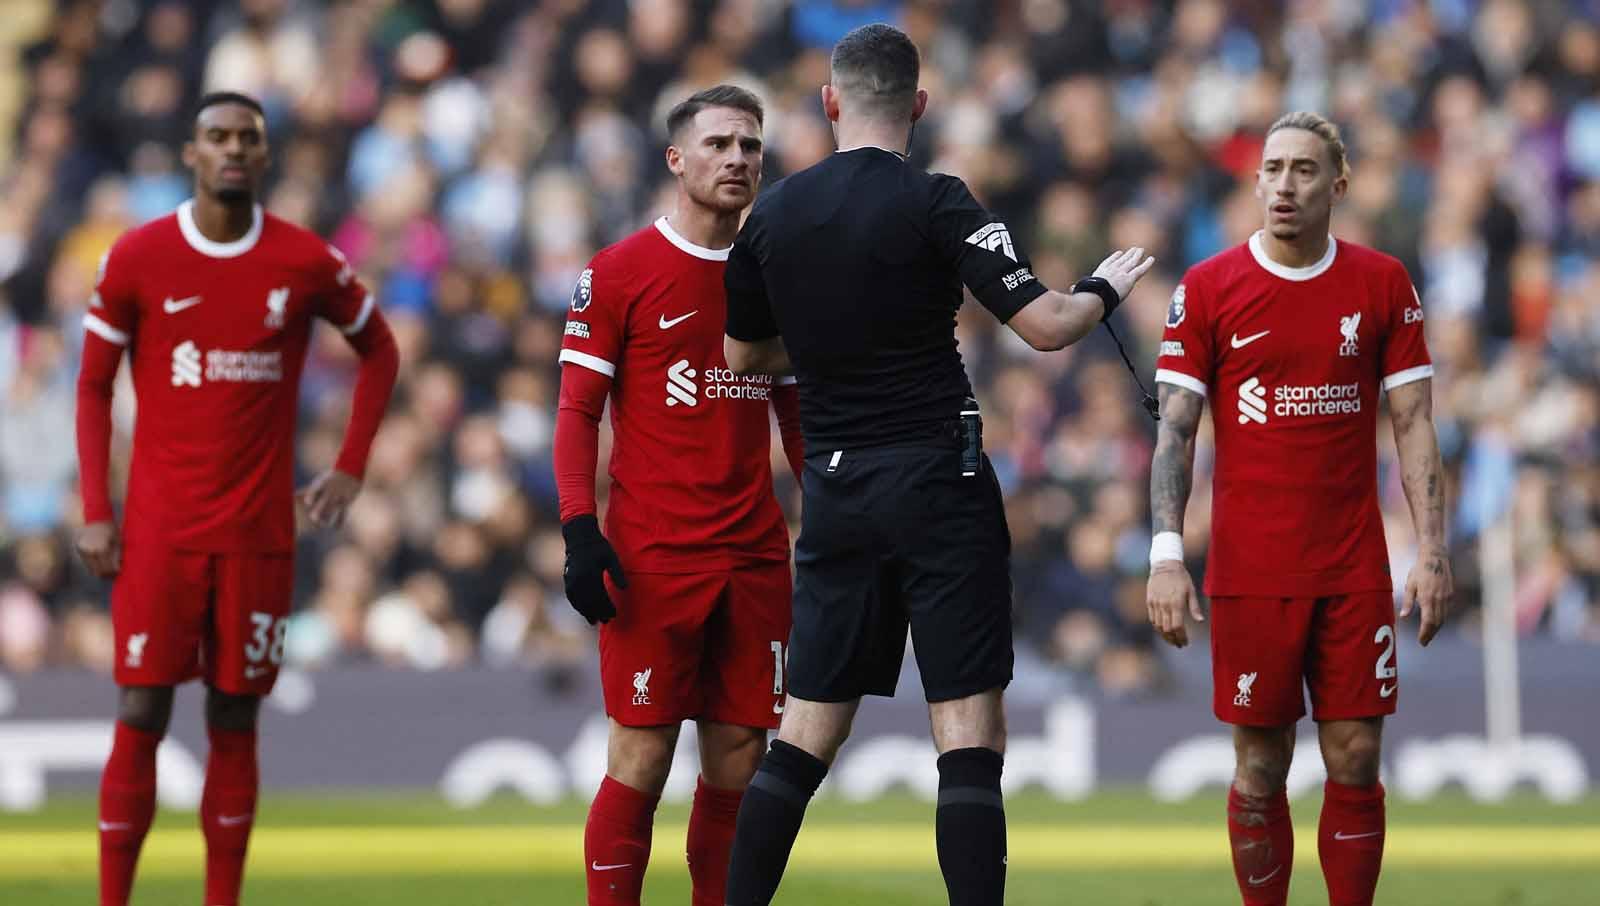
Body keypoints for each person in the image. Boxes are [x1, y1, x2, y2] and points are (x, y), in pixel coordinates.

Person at [719, 24, 1156, 906]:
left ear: (831, 101)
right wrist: (1106, 285)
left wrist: (827, 352)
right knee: (965, 727)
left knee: (804, 732)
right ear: (918, 104)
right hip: (936, 478)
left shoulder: (771, 216)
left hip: (836, 489)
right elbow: (1045, 326)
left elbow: (743, 358)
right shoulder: (940, 201)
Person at [75, 91, 399, 906]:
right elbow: (90, 385)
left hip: (257, 534)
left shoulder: (303, 260)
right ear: (191, 153)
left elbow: (380, 349)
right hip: (160, 531)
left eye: (246, 139)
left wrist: (351, 465)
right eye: (215, 136)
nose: (231, 150)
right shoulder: (138, 257)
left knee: (235, 717)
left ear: (264, 155)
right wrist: (94, 509)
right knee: (141, 707)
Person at [1145, 111, 1453, 906]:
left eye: (1304, 170)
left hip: (1352, 564)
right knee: (1260, 765)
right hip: (1251, 569)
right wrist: (1167, 556)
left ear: (1338, 185)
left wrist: (1434, 552)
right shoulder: (1208, 288)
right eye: (1272, 169)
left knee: (1355, 755)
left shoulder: (1382, 283)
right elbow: (1176, 433)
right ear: (1255, 182)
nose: (1284, 184)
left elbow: (1415, 421)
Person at [552, 84, 805, 906]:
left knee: (740, 758)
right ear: (676, 159)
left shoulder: (778, 276)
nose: (737, 159)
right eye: (720, 143)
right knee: (643, 753)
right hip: (654, 557)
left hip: (755, 557)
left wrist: (839, 522)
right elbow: (576, 411)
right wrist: (579, 529)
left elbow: (798, 421)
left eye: (751, 146)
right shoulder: (621, 272)